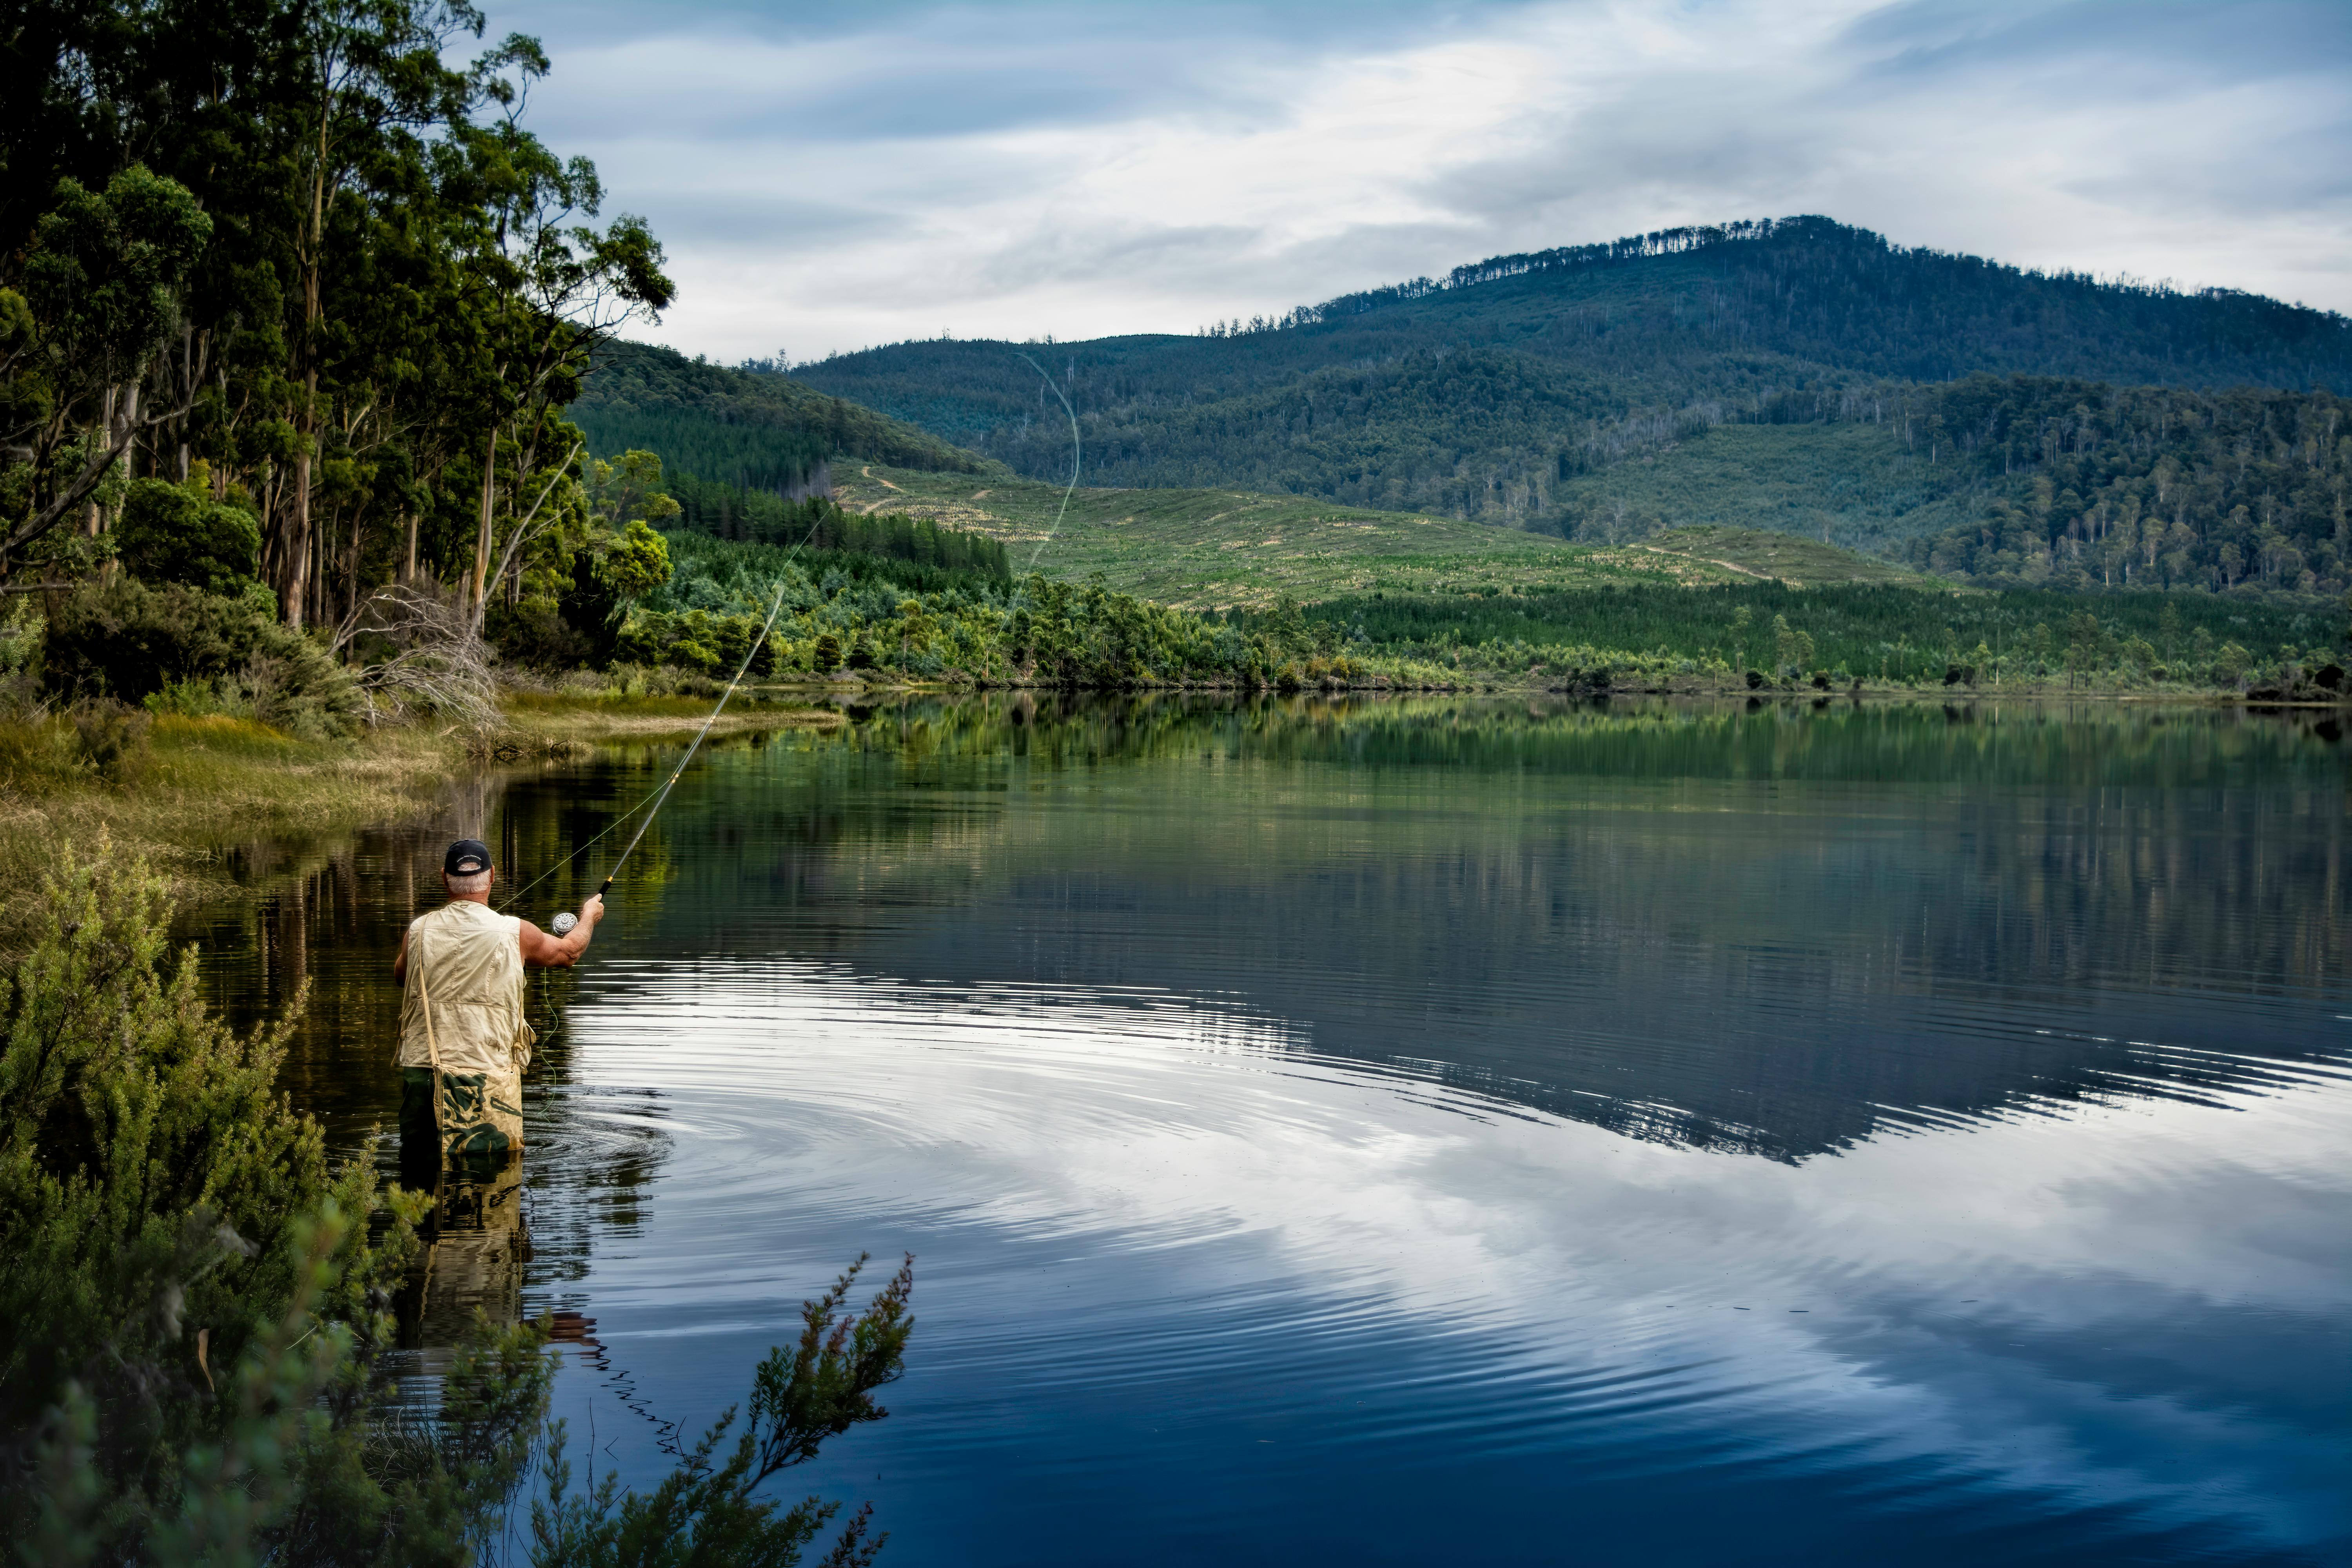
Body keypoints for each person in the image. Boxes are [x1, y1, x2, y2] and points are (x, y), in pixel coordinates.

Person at [394, 838, 604, 1169]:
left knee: (417, 1169)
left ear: (444, 879)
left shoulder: (417, 931)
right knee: (486, 1172)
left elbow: (402, 978)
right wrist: (589, 916)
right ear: (492, 876)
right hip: (484, 1071)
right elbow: (568, 954)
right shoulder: (516, 932)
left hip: (423, 1069)